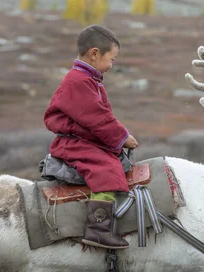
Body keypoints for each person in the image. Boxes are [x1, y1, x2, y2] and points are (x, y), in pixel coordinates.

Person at [44, 24, 138, 250]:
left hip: (82, 140)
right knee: (105, 168)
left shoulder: (88, 79)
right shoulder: (78, 81)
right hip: (73, 143)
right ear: (94, 54)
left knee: (110, 159)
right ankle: (98, 229)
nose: (112, 65)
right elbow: (97, 118)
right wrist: (123, 137)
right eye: (111, 59)